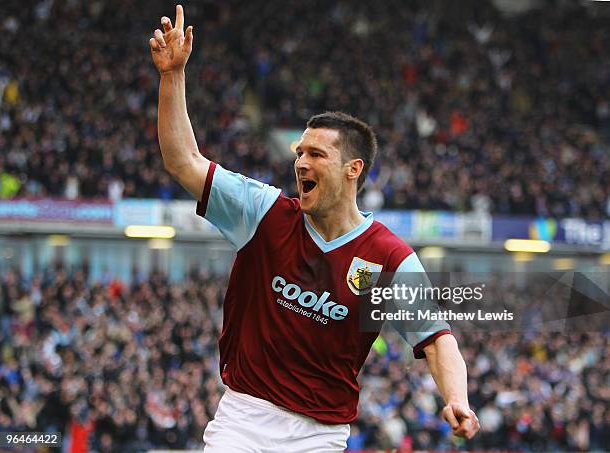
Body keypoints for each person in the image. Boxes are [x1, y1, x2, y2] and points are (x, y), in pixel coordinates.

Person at [149, 5, 479, 452]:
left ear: (352, 169)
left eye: (317, 154)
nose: (300, 162)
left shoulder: (389, 258)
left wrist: (456, 399)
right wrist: (173, 75)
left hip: (318, 436)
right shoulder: (263, 212)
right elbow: (182, 160)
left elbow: (437, 340)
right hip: (243, 417)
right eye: (299, 152)